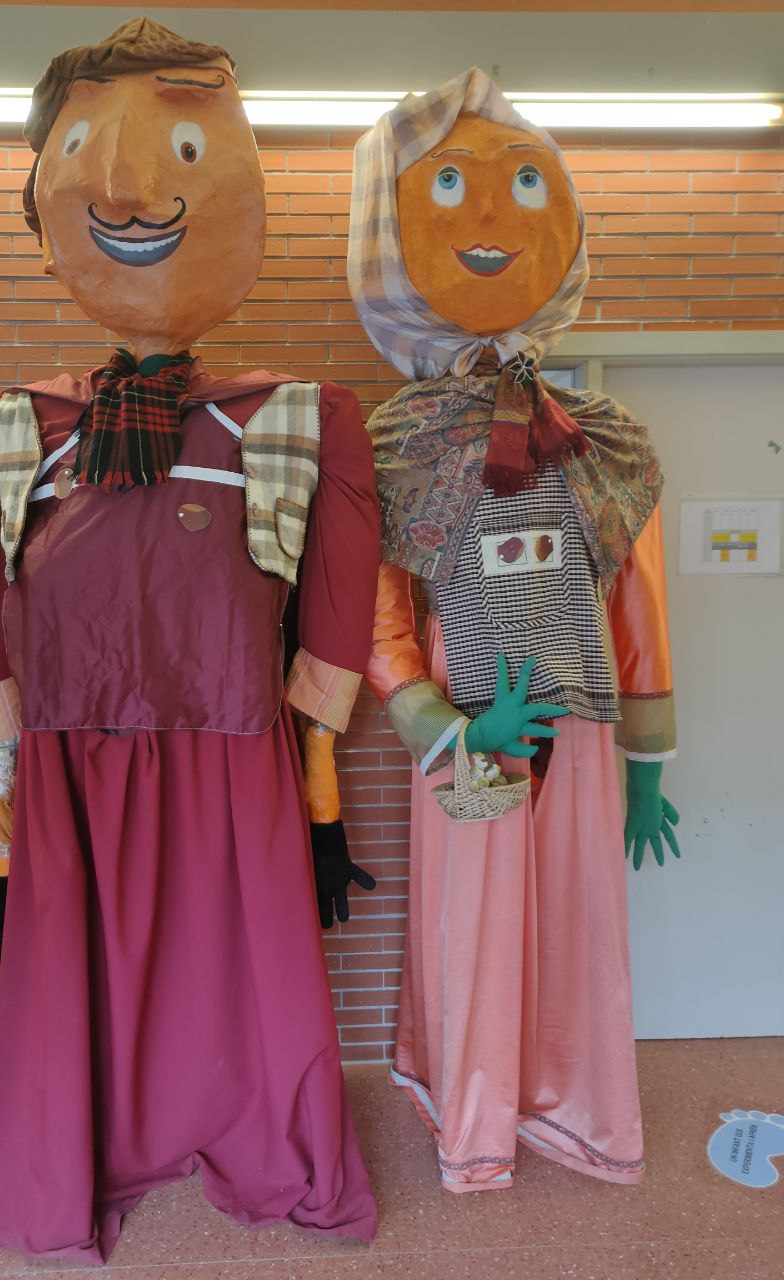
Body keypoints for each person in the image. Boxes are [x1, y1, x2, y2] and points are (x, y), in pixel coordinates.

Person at [0, 18, 378, 1260]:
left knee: (244, 972)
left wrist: (320, 756)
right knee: (82, 972)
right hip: (71, 751)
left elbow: (338, 593)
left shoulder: (292, 421)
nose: (130, 195)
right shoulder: (15, 430)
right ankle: (83, 1149)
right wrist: (2, 759)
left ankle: (262, 1140)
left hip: (234, 746)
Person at [347, 69, 679, 1191]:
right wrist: (441, 720)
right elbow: (377, 602)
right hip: (472, 727)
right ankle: (477, 1121)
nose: (490, 219)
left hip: (578, 724)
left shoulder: (603, 439)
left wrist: (648, 764)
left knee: (579, 918)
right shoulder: (400, 439)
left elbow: (637, 600)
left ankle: (579, 1106)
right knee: (478, 919)